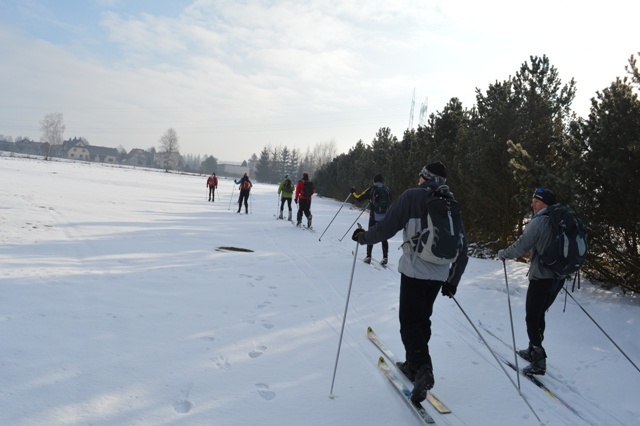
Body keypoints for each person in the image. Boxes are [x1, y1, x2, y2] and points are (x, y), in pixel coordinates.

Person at [352, 162, 468, 404]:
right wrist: (452, 280)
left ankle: (423, 368)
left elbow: (386, 227)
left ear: (425, 177)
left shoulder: (413, 197)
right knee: (422, 320)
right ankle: (414, 366)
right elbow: (462, 247)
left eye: (420, 176)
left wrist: (364, 238)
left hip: (415, 270)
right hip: (439, 274)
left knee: (409, 323)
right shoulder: (451, 203)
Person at [497, 188, 558, 376]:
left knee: (532, 316)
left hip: (542, 277)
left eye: (536, 201)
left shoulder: (540, 222)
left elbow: (521, 246)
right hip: (557, 277)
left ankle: (539, 361)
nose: (532, 204)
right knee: (539, 315)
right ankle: (533, 349)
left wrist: (503, 254)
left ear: (545, 204)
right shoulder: (558, 221)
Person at [351, 174, 391, 265]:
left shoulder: (371, 189)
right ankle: (385, 257)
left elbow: (358, 198)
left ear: (374, 181)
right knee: (384, 237)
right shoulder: (387, 190)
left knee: (370, 235)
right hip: (385, 217)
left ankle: (368, 256)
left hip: (374, 217)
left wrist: (353, 192)